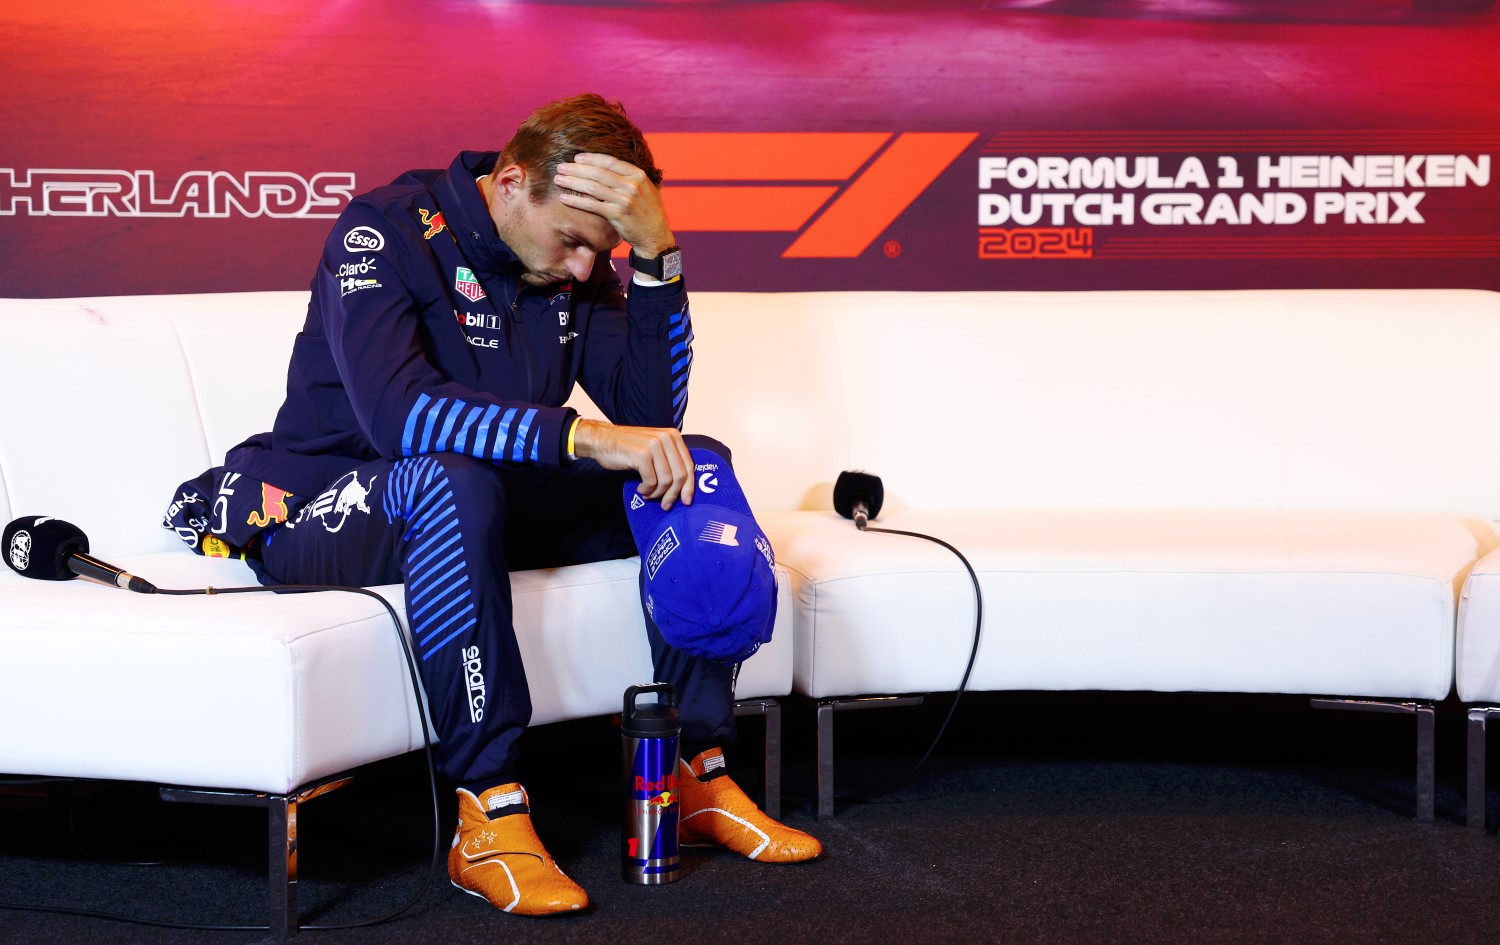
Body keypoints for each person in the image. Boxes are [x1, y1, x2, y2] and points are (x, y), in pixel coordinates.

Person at [162, 93, 820, 916]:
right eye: (576, 244)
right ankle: (489, 807)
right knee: (448, 479)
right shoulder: (382, 229)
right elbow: (399, 418)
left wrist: (658, 258)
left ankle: (692, 772)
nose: (587, 269)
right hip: (328, 501)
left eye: (605, 251)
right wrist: (582, 437)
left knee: (696, 468)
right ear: (511, 182)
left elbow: (653, 417)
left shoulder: (573, 264)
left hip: (485, 503)